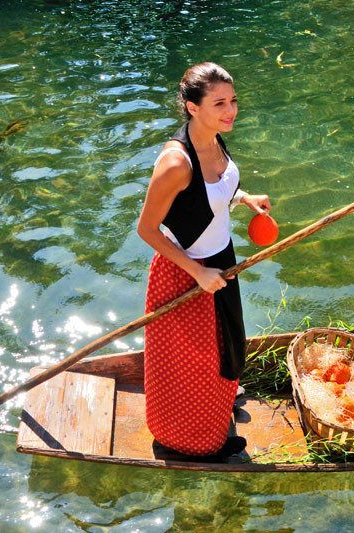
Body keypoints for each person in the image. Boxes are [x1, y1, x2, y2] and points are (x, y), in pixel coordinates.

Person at [137, 62, 271, 458]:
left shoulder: (214, 139)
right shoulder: (177, 163)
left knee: (227, 342)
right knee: (192, 362)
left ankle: (221, 400)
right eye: (219, 103)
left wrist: (244, 198)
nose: (230, 111)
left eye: (232, 101)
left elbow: (212, 193)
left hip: (221, 262)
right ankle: (193, 440)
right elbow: (147, 230)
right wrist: (196, 271)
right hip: (186, 272)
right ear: (192, 107)